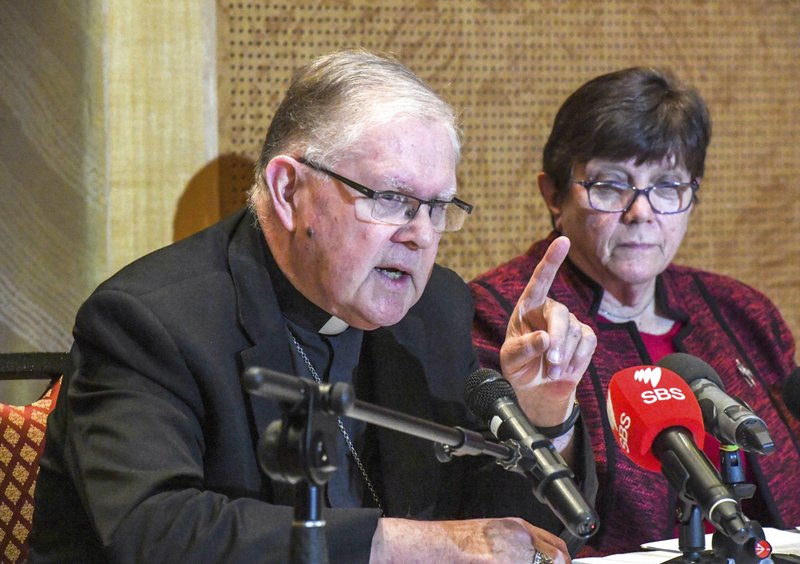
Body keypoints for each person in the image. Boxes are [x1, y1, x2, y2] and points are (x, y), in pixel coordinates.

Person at [29, 49, 598, 563]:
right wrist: (404, 545)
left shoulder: (435, 309)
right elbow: (155, 531)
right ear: (287, 190)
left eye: (438, 207)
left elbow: (511, 538)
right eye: (393, 200)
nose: (422, 235)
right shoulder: (150, 322)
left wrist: (542, 413)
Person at [470, 66, 800, 556]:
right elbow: (490, 510)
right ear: (553, 195)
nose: (640, 211)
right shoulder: (499, 317)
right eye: (610, 185)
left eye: (668, 186)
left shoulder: (742, 311)